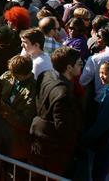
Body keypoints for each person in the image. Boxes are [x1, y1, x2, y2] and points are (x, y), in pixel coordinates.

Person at [30, 46, 83, 176]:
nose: (81, 67)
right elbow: (63, 127)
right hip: (52, 148)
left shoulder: (46, 74)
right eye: (79, 64)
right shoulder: (63, 93)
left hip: (38, 136)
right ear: (69, 68)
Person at [0, 55, 37, 160]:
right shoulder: (9, 75)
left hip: (16, 137)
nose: (12, 75)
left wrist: (4, 109)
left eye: (15, 74)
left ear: (24, 74)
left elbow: (25, 120)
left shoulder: (33, 89)